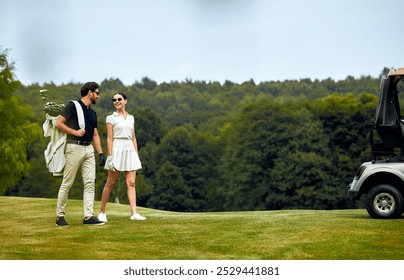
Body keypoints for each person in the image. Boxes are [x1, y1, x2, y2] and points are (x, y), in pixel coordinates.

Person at [55, 82, 106, 226]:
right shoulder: (73, 106)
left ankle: (88, 216)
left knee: (90, 183)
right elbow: (58, 123)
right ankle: (60, 216)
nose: (98, 95)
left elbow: (95, 135)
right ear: (89, 93)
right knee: (68, 182)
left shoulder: (93, 113)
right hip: (74, 147)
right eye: (96, 92)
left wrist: (100, 153)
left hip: (89, 149)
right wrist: (74, 132)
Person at [98, 93, 146, 222]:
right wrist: (110, 156)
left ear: (125, 101)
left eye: (119, 99)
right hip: (117, 149)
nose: (117, 101)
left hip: (129, 149)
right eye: (114, 100)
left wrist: (136, 155)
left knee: (131, 183)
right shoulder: (111, 118)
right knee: (111, 182)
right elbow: (109, 137)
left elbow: (133, 137)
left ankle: (134, 213)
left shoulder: (131, 118)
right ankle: (102, 212)